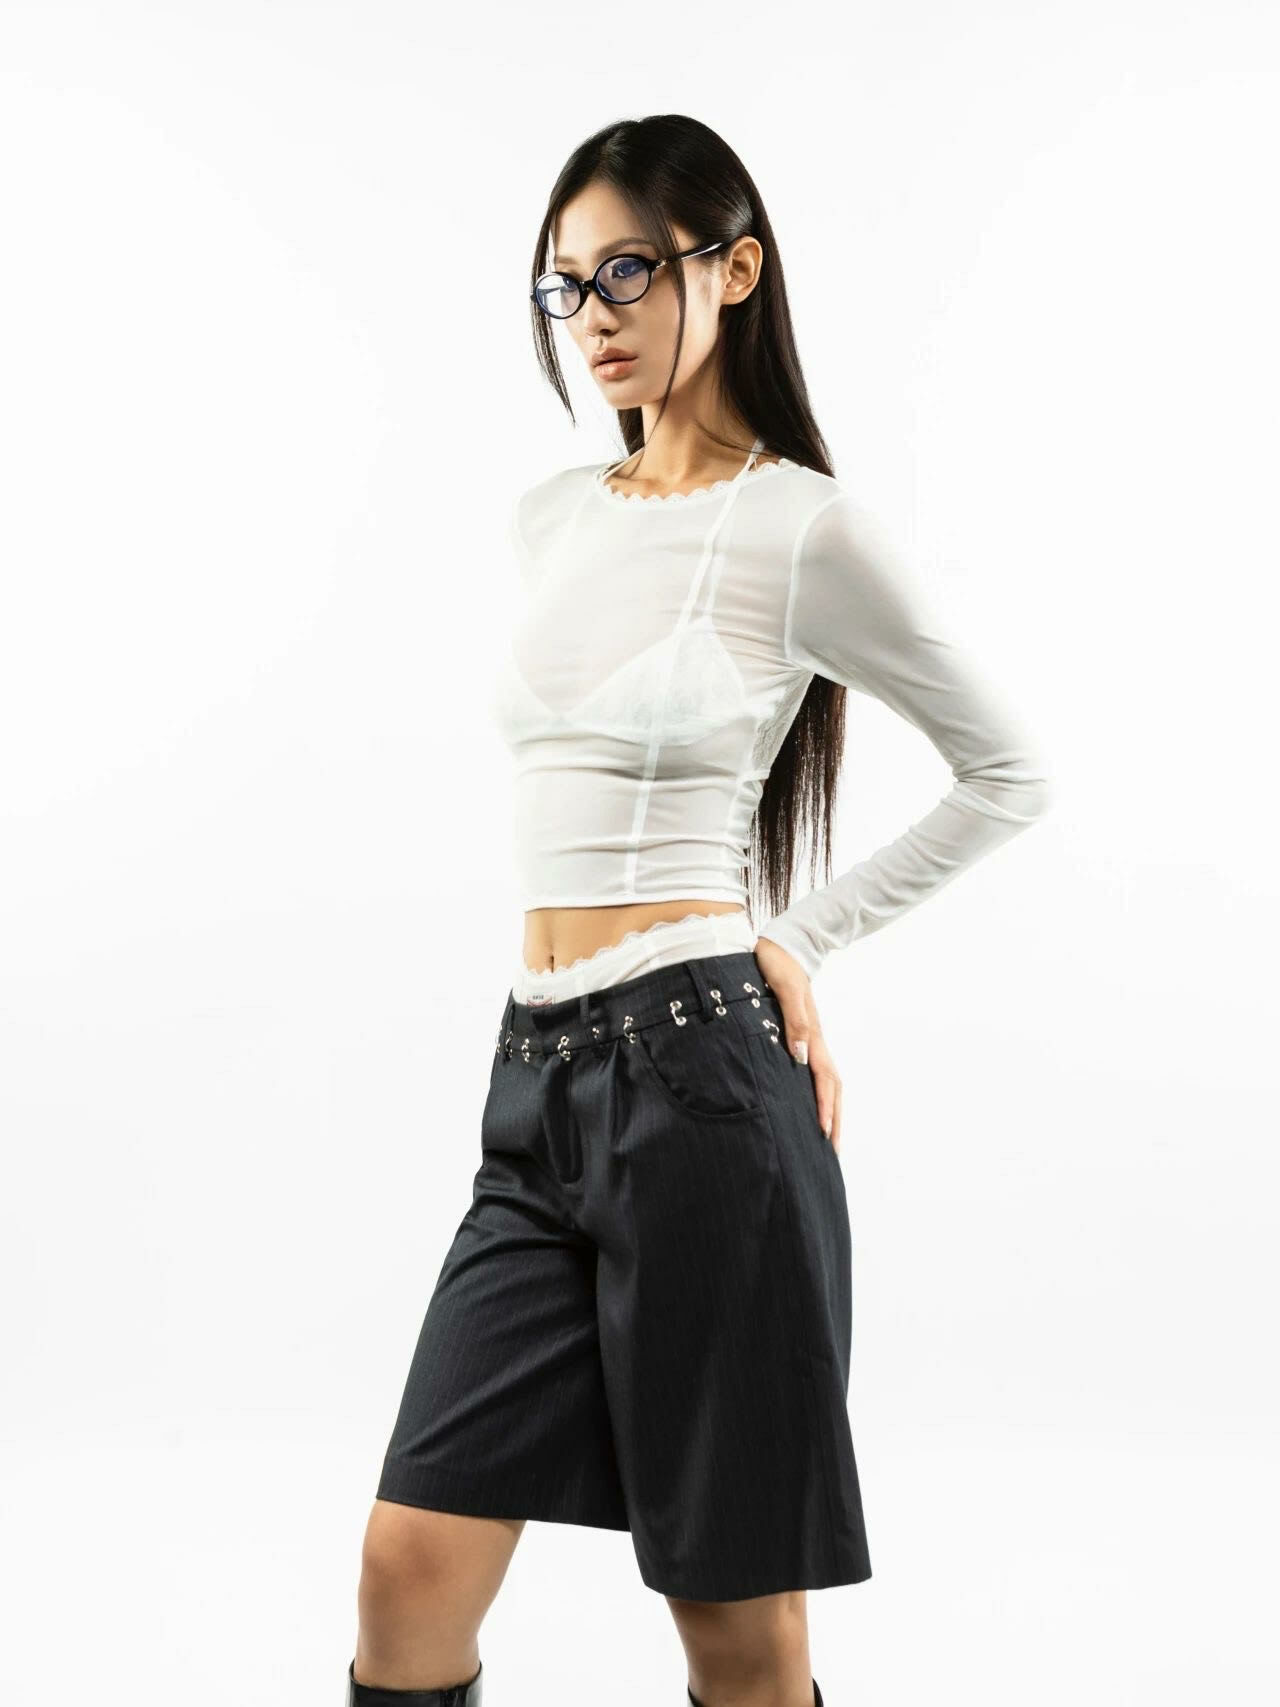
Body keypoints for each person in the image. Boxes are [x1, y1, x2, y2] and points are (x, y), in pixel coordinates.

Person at [346, 114, 1053, 1707]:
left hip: (704, 1094)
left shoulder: (801, 526)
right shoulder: (554, 518)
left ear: (732, 271)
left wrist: (800, 937)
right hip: (533, 1092)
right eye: (563, 285)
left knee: (736, 1629)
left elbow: (1007, 772)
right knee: (409, 1569)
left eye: (627, 272)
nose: (591, 315)